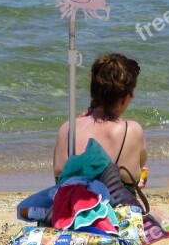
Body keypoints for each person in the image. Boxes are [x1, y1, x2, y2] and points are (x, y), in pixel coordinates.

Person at [53, 53, 147, 185]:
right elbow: (138, 170)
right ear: (125, 98)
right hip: (115, 205)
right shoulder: (131, 131)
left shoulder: (67, 129)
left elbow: (58, 180)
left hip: (73, 204)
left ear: (93, 91)